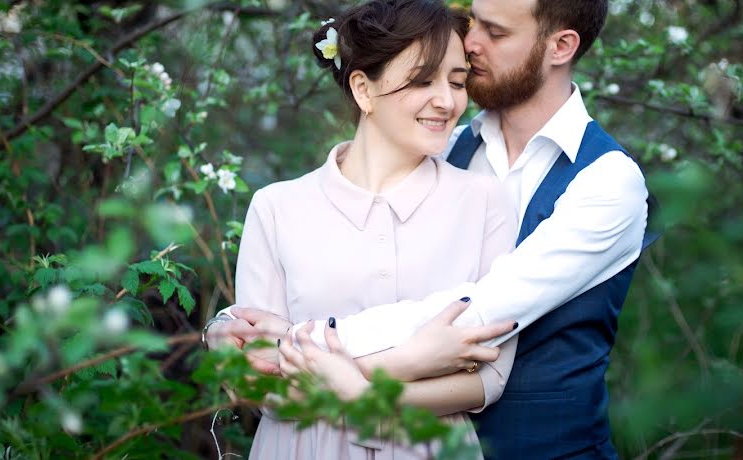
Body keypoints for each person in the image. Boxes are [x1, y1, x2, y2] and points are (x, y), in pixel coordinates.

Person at [228, 0, 658, 458]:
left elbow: (480, 313)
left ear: (561, 46)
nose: (470, 45)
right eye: (473, 24)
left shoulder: (608, 181)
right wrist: (227, 330)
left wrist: (297, 342)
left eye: (495, 32)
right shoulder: (441, 146)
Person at [203, 1, 521, 458]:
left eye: (456, 81)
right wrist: (406, 363)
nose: (448, 101)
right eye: (422, 80)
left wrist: (351, 383)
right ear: (363, 89)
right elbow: (259, 384)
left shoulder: (486, 201)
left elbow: (488, 378)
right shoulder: (277, 207)